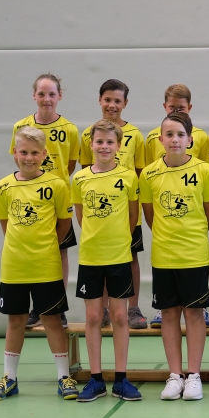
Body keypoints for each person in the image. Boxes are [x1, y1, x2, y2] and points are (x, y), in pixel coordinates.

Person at [0, 126, 78, 400]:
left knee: (51, 319)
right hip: (14, 266)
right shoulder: (3, 186)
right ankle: (10, 378)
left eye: (34, 153)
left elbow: (64, 224)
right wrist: (21, 249)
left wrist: (45, 247)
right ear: (15, 153)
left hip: (46, 266)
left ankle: (64, 377)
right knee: (16, 319)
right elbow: (6, 226)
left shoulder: (57, 185)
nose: (29, 158)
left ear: (44, 154)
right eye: (24, 152)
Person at [139, 112, 209, 400]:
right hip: (163, 256)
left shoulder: (204, 171)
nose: (175, 140)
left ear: (190, 140)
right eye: (169, 135)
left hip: (194, 255)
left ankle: (194, 376)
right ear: (160, 139)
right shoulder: (148, 174)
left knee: (194, 313)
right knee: (169, 314)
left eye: (180, 135)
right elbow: (150, 217)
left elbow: (208, 213)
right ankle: (175, 376)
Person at [72, 120, 142, 401]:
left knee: (119, 316)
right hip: (90, 257)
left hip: (119, 256)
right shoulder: (80, 178)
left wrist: (117, 241)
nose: (104, 146)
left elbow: (133, 217)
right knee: (92, 317)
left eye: (110, 142)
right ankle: (96, 379)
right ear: (91, 144)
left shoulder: (128, 177)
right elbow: (81, 217)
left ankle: (121, 379)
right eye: (99, 141)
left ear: (118, 146)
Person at [10, 74, 79, 329]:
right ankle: (36, 309)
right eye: (41, 94)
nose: (46, 99)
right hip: (29, 200)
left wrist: (51, 184)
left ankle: (57, 307)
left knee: (59, 253)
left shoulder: (70, 129)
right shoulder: (21, 126)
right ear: (34, 96)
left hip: (56, 201)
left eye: (51, 94)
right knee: (31, 253)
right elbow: (18, 159)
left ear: (59, 96)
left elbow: (69, 166)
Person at [80, 79, 147, 330]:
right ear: (100, 100)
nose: (112, 105)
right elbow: (87, 172)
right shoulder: (89, 134)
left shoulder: (135, 135)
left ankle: (133, 308)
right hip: (101, 213)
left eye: (117, 101)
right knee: (103, 260)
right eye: (107, 99)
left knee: (130, 257)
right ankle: (105, 309)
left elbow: (139, 172)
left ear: (125, 103)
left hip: (126, 209)